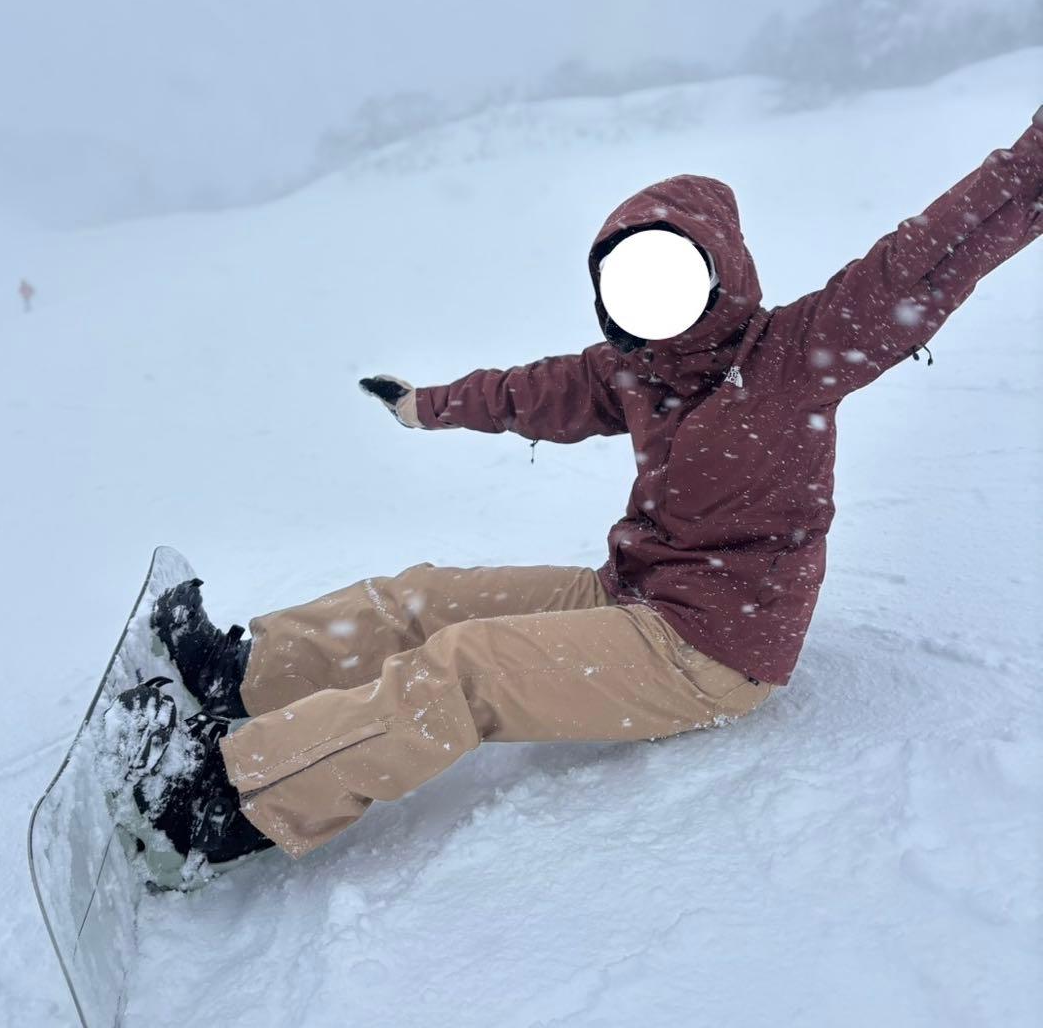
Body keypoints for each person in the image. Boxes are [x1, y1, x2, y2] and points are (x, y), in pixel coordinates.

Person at [113, 107, 1043, 879]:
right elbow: (532, 391)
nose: (648, 301)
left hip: (712, 650)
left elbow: (932, 253)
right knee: (425, 599)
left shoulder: (796, 358)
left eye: (673, 274)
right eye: (627, 280)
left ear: (723, 274)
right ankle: (251, 674)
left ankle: (232, 799)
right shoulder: (636, 369)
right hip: (635, 595)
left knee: (465, 666)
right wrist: (422, 407)